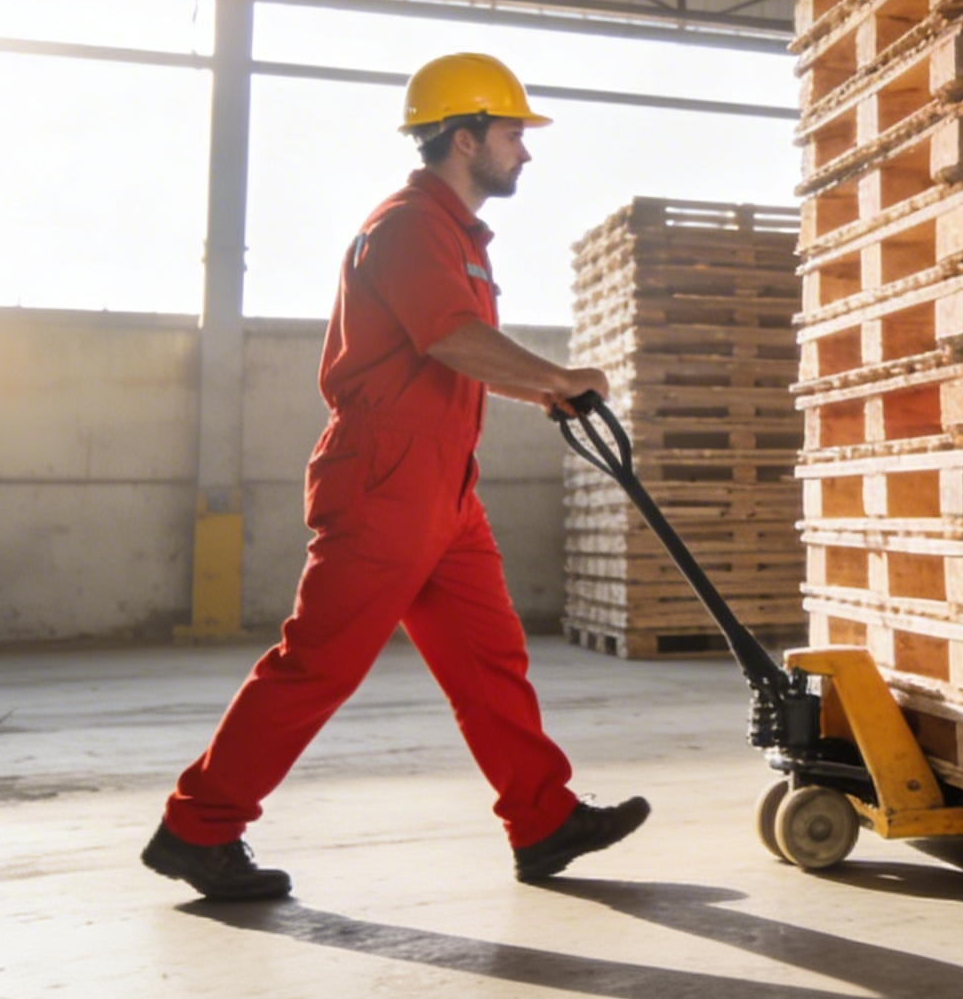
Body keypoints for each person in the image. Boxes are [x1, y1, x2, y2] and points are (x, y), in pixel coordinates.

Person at [143, 52, 648, 901]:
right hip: (387, 477)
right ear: (463, 136)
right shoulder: (410, 225)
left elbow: (455, 353)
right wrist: (556, 379)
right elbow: (447, 335)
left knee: (490, 658)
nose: (525, 152)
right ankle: (197, 827)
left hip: (443, 482)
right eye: (512, 133)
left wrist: (539, 391)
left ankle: (543, 818)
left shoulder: (456, 237)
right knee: (320, 663)